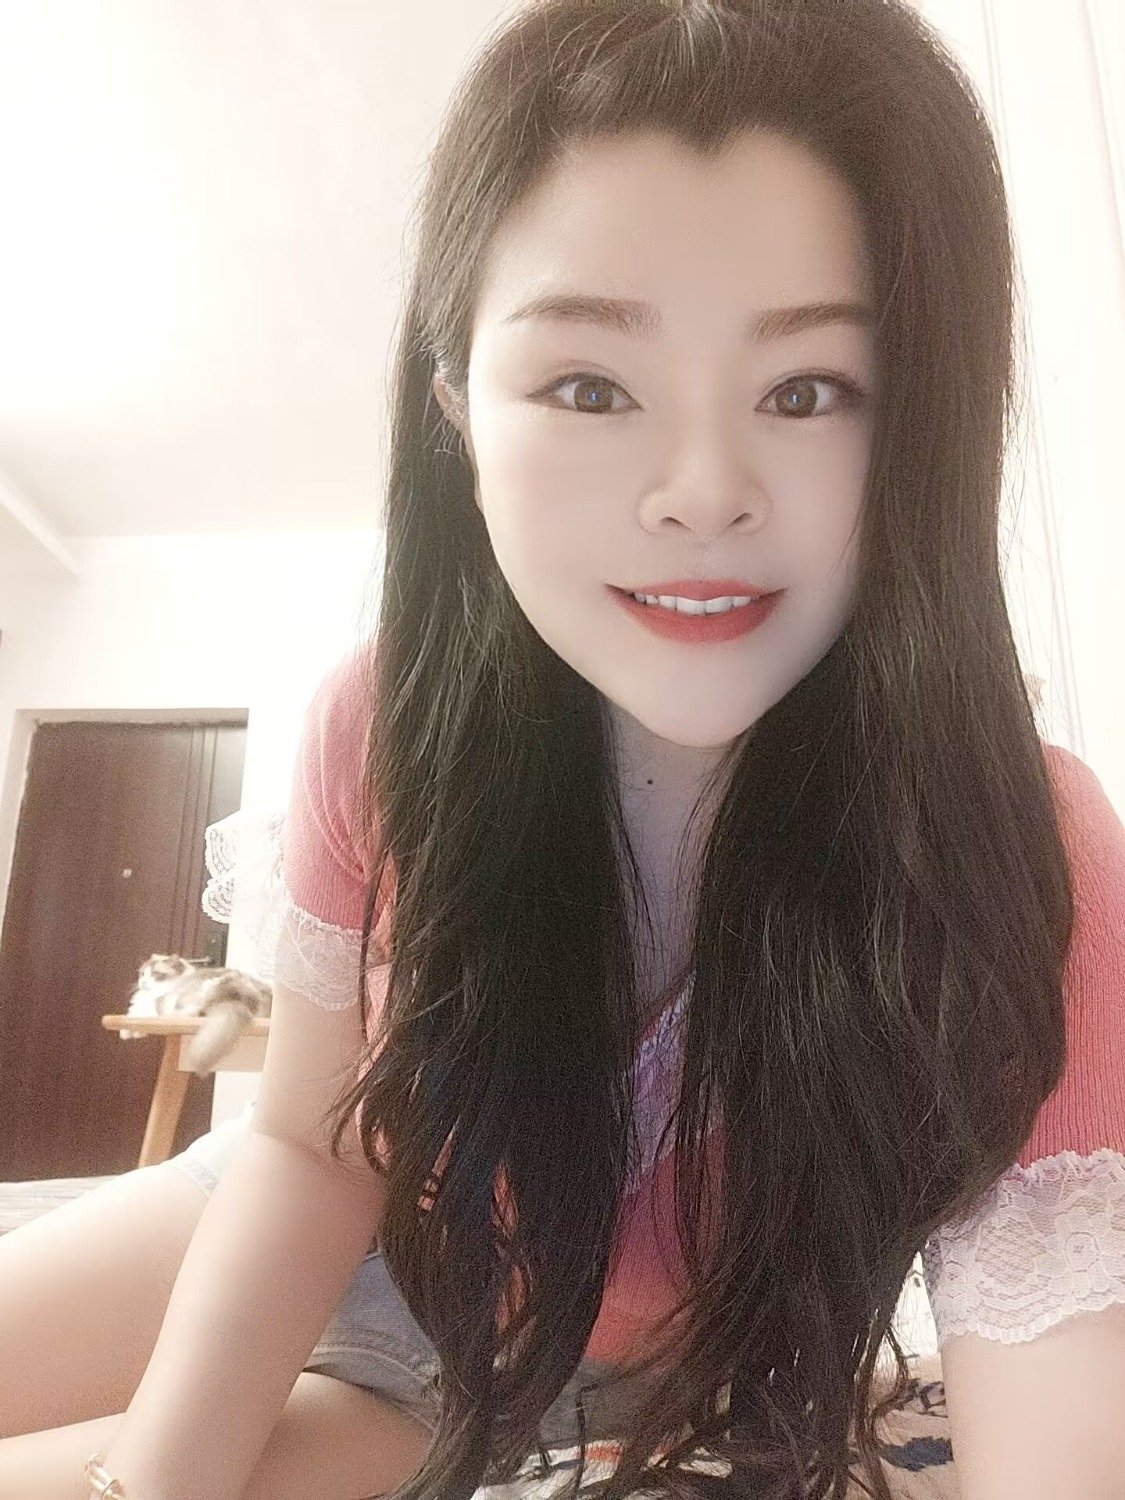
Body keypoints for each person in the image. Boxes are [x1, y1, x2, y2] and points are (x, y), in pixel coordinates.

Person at [0, 0, 1122, 1496]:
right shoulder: (384, 724)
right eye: (590, 387)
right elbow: (311, 1151)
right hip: (312, 1216)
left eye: (807, 390)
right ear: (458, 411)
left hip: (546, 1364)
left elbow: (1048, 1365)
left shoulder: (1019, 846)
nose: (701, 490)